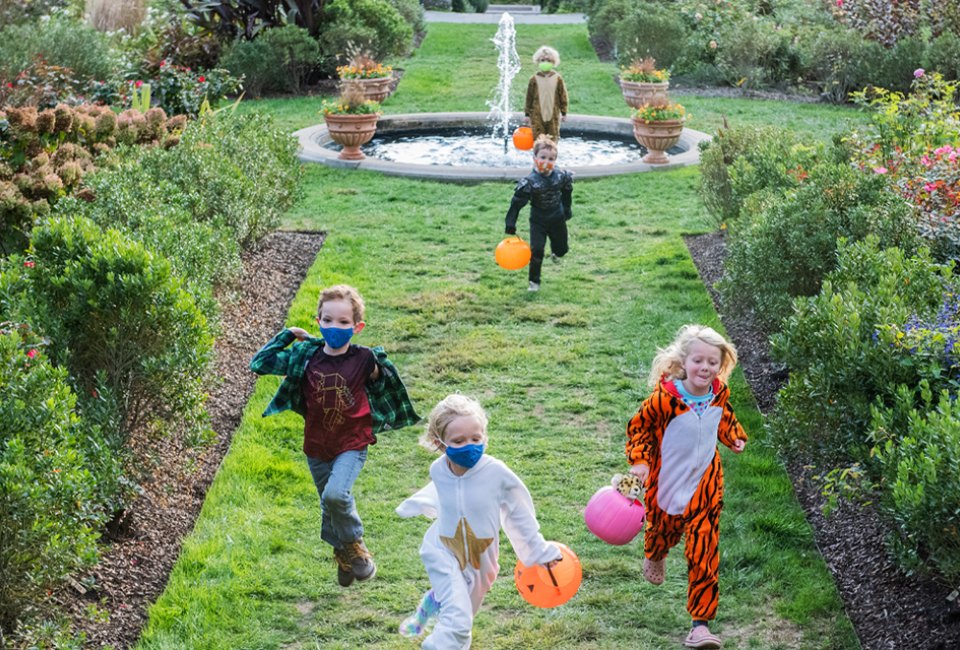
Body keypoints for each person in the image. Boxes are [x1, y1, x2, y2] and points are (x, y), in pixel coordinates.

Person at [249, 284, 419, 588]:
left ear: (357, 327)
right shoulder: (306, 356)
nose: (334, 327)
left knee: (335, 495)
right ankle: (344, 553)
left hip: (351, 443)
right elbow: (259, 364)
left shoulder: (365, 359)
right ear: (318, 322)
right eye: (327, 320)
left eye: (343, 322)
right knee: (329, 506)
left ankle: (355, 544)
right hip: (316, 446)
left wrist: (381, 374)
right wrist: (288, 335)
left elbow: (384, 386)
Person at [396, 394, 563, 649]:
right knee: (459, 621)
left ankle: (430, 607)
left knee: (463, 614)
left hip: (482, 561)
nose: (469, 446)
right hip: (442, 550)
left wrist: (539, 551)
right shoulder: (438, 469)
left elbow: (519, 513)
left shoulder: (496, 474)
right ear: (439, 443)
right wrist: (417, 505)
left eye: (476, 438)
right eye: (459, 441)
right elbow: (444, 491)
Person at [625, 324, 748, 650]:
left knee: (704, 554)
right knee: (661, 532)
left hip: (706, 490)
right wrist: (639, 462)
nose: (705, 368)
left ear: (720, 365)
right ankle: (654, 553)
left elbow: (723, 419)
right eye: (698, 361)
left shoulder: (718, 394)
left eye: (712, 362)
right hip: (665, 487)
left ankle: (700, 626)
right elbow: (638, 429)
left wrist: (733, 436)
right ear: (684, 361)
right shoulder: (664, 400)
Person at [504, 134, 574, 292]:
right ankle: (534, 282)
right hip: (538, 220)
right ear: (534, 157)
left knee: (562, 249)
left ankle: (556, 253)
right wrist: (510, 223)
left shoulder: (561, 176)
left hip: (557, 217)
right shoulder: (530, 182)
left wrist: (567, 209)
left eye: (551, 159)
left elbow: (567, 191)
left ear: (555, 161)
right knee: (537, 250)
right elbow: (517, 203)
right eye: (543, 157)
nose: (546, 162)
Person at [524, 45, 568, 143]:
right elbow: (529, 97)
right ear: (538, 61)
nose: (545, 63)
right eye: (542, 60)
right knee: (538, 139)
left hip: (553, 114)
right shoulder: (534, 79)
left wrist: (564, 112)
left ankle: (551, 156)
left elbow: (563, 96)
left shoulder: (557, 78)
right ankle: (538, 156)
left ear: (553, 62)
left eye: (548, 60)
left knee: (553, 138)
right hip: (537, 114)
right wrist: (527, 114)